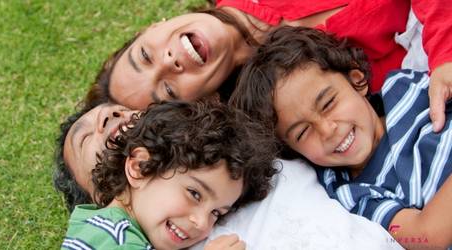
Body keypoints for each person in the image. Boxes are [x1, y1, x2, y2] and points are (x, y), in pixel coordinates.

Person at [230, 26, 452, 248]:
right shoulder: (353, 196)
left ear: (357, 79)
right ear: (293, 151)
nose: (328, 130)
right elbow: (426, 237)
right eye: (303, 132)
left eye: (328, 103)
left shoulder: (406, 88)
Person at [87, 0, 452, 133]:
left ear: (151, 29)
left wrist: (445, 53)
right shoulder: (300, 99)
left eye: (145, 56)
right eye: (166, 90)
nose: (168, 62)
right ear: (204, 102)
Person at [61, 100, 278, 250]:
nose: (202, 223)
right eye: (194, 194)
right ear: (140, 167)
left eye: (216, 213)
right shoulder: (112, 236)